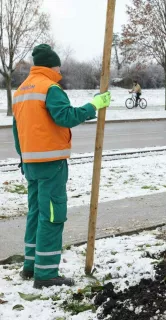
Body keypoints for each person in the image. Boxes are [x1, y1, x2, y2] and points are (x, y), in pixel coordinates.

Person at [12, 44, 111, 288]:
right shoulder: (50, 87)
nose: (61, 70)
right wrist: (94, 106)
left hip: (32, 163)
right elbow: (66, 116)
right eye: (58, 66)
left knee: (36, 213)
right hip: (51, 163)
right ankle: (46, 275)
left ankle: (31, 266)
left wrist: (23, 159)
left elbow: (17, 131)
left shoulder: (22, 90)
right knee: (53, 217)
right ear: (52, 65)